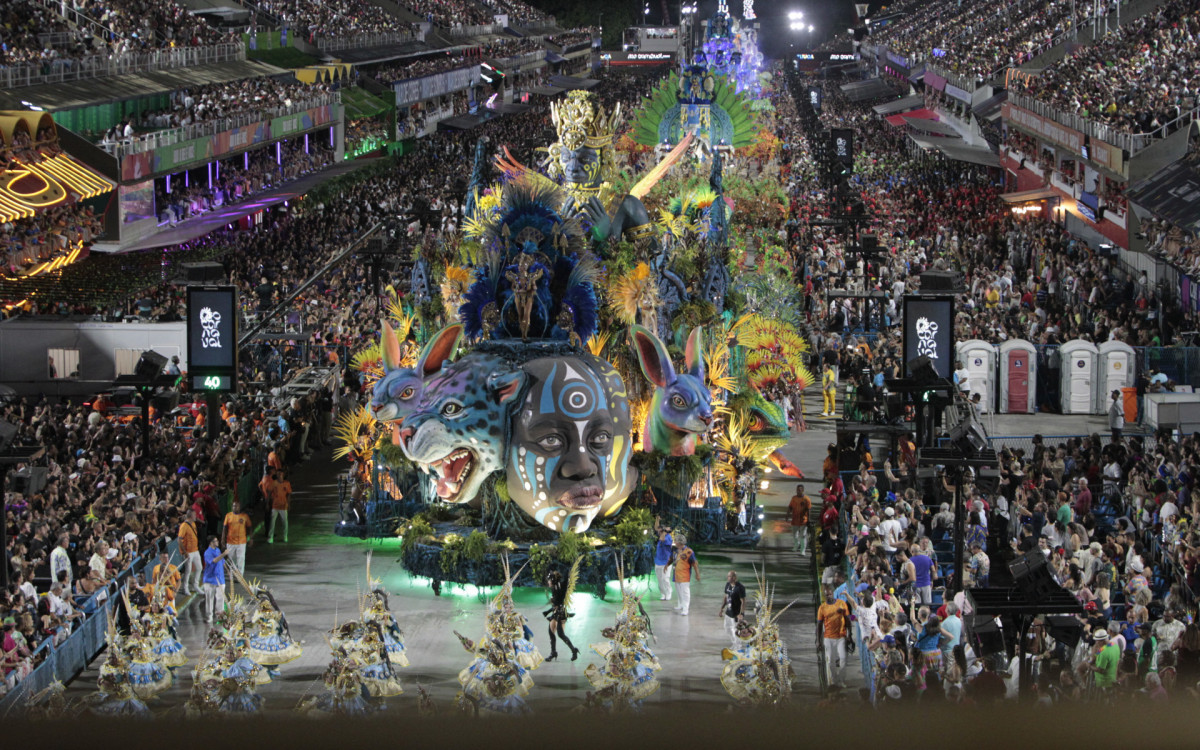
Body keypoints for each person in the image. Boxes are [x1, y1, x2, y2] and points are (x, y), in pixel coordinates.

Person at [817, 585, 850, 688]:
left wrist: (850, 635)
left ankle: (841, 680)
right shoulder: (822, 608)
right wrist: (818, 640)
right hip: (828, 637)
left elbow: (848, 619)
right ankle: (834, 681)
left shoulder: (841, 604)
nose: (829, 596)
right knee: (830, 661)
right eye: (827, 595)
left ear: (833, 593)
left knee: (843, 658)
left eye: (830, 594)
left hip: (841, 636)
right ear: (824, 596)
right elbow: (819, 625)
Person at [543, 570, 578, 662]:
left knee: (561, 634)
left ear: (553, 580)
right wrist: (549, 610)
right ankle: (553, 652)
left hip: (561, 614)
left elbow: (559, 603)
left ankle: (574, 650)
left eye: (549, 580)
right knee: (551, 633)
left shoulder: (560, 587)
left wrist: (570, 572)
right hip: (555, 613)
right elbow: (556, 604)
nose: (548, 582)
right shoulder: (554, 588)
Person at [202, 536, 231, 624]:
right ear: (211, 543)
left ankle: (220, 616)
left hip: (220, 578)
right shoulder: (207, 553)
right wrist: (223, 554)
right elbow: (214, 561)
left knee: (220, 598)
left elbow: (222, 561)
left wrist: (227, 571)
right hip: (210, 580)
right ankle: (209, 616)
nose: (217, 542)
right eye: (215, 541)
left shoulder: (217, 550)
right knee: (209, 599)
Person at [672, 535, 699, 616]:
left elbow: (694, 563)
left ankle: (685, 609)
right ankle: (680, 604)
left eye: (675, 541)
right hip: (676, 575)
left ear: (680, 542)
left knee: (685, 592)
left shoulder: (689, 552)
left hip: (684, 575)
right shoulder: (676, 551)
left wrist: (697, 574)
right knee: (679, 591)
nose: (675, 542)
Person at [223, 500, 252, 575]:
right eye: (233, 506)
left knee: (241, 559)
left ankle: (240, 575)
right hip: (230, 542)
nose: (235, 507)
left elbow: (249, 527)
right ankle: (232, 574)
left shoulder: (244, 516)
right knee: (232, 560)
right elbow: (225, 528)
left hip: (241, 542)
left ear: (239, 507)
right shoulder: (228, 516)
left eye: (236, 506)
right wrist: (223, 539)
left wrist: (250, 538)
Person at [720, 571, 746, 648]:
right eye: (728, 576)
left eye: (730, 576)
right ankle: (734, 643)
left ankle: (738, 646)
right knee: (727, 628)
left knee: (736, 630)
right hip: (729, 611)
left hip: (737, 613)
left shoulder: (740, 587)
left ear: (734, 577)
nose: (728, 578)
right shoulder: (727, 585)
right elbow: (725, 597)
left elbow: (743, 601)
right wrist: (722, 608)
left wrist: (741, 613)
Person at [178, 510, 202, 596]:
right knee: (188, 570)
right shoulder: (184, 526)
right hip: (188, 552)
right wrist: (184, 552)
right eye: (195, 515)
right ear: (191, 516)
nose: (196, 516)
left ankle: (195, 585)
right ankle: (185, 588)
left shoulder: (193, 524)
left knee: (199, 567)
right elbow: (179, 540)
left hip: (195, 550)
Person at [268, 469, 292, 544]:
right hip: (275, 506)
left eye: (281, 474)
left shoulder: (287, 483)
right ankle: (270, 537)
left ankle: (285, 536)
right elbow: (269, 492)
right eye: (278, 474)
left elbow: (288, 494)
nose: (279, 475)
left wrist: (288, 504)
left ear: (283, 475)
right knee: (272, 522)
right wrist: (267, 502)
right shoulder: (274, 483)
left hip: (283, 506)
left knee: (285, 522)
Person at [653, 520, 674, 601]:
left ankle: (669, 592)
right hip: (658, 561)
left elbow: (662, 539)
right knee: (659, 580)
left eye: (660, 530)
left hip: (666, 562)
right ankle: (663, 593)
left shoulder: (668, 537)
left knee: (665, 578)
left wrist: (664, 531)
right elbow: (656, 528)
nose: (658, 532)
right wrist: (657, 519)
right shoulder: (659, 536)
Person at [788, 483, 811, 554]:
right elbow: (790, 507)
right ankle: (796, 545)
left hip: (803, 521)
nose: (798, 491)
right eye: (797, 490)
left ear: (803, 490)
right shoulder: (794, 498)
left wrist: (809, 520)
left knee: (803, 536)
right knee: (795, 535)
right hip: (795, 520)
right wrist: (787, 515)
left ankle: (802, 550)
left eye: (800, 490)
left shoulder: (806, 499)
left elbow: (808, 509)